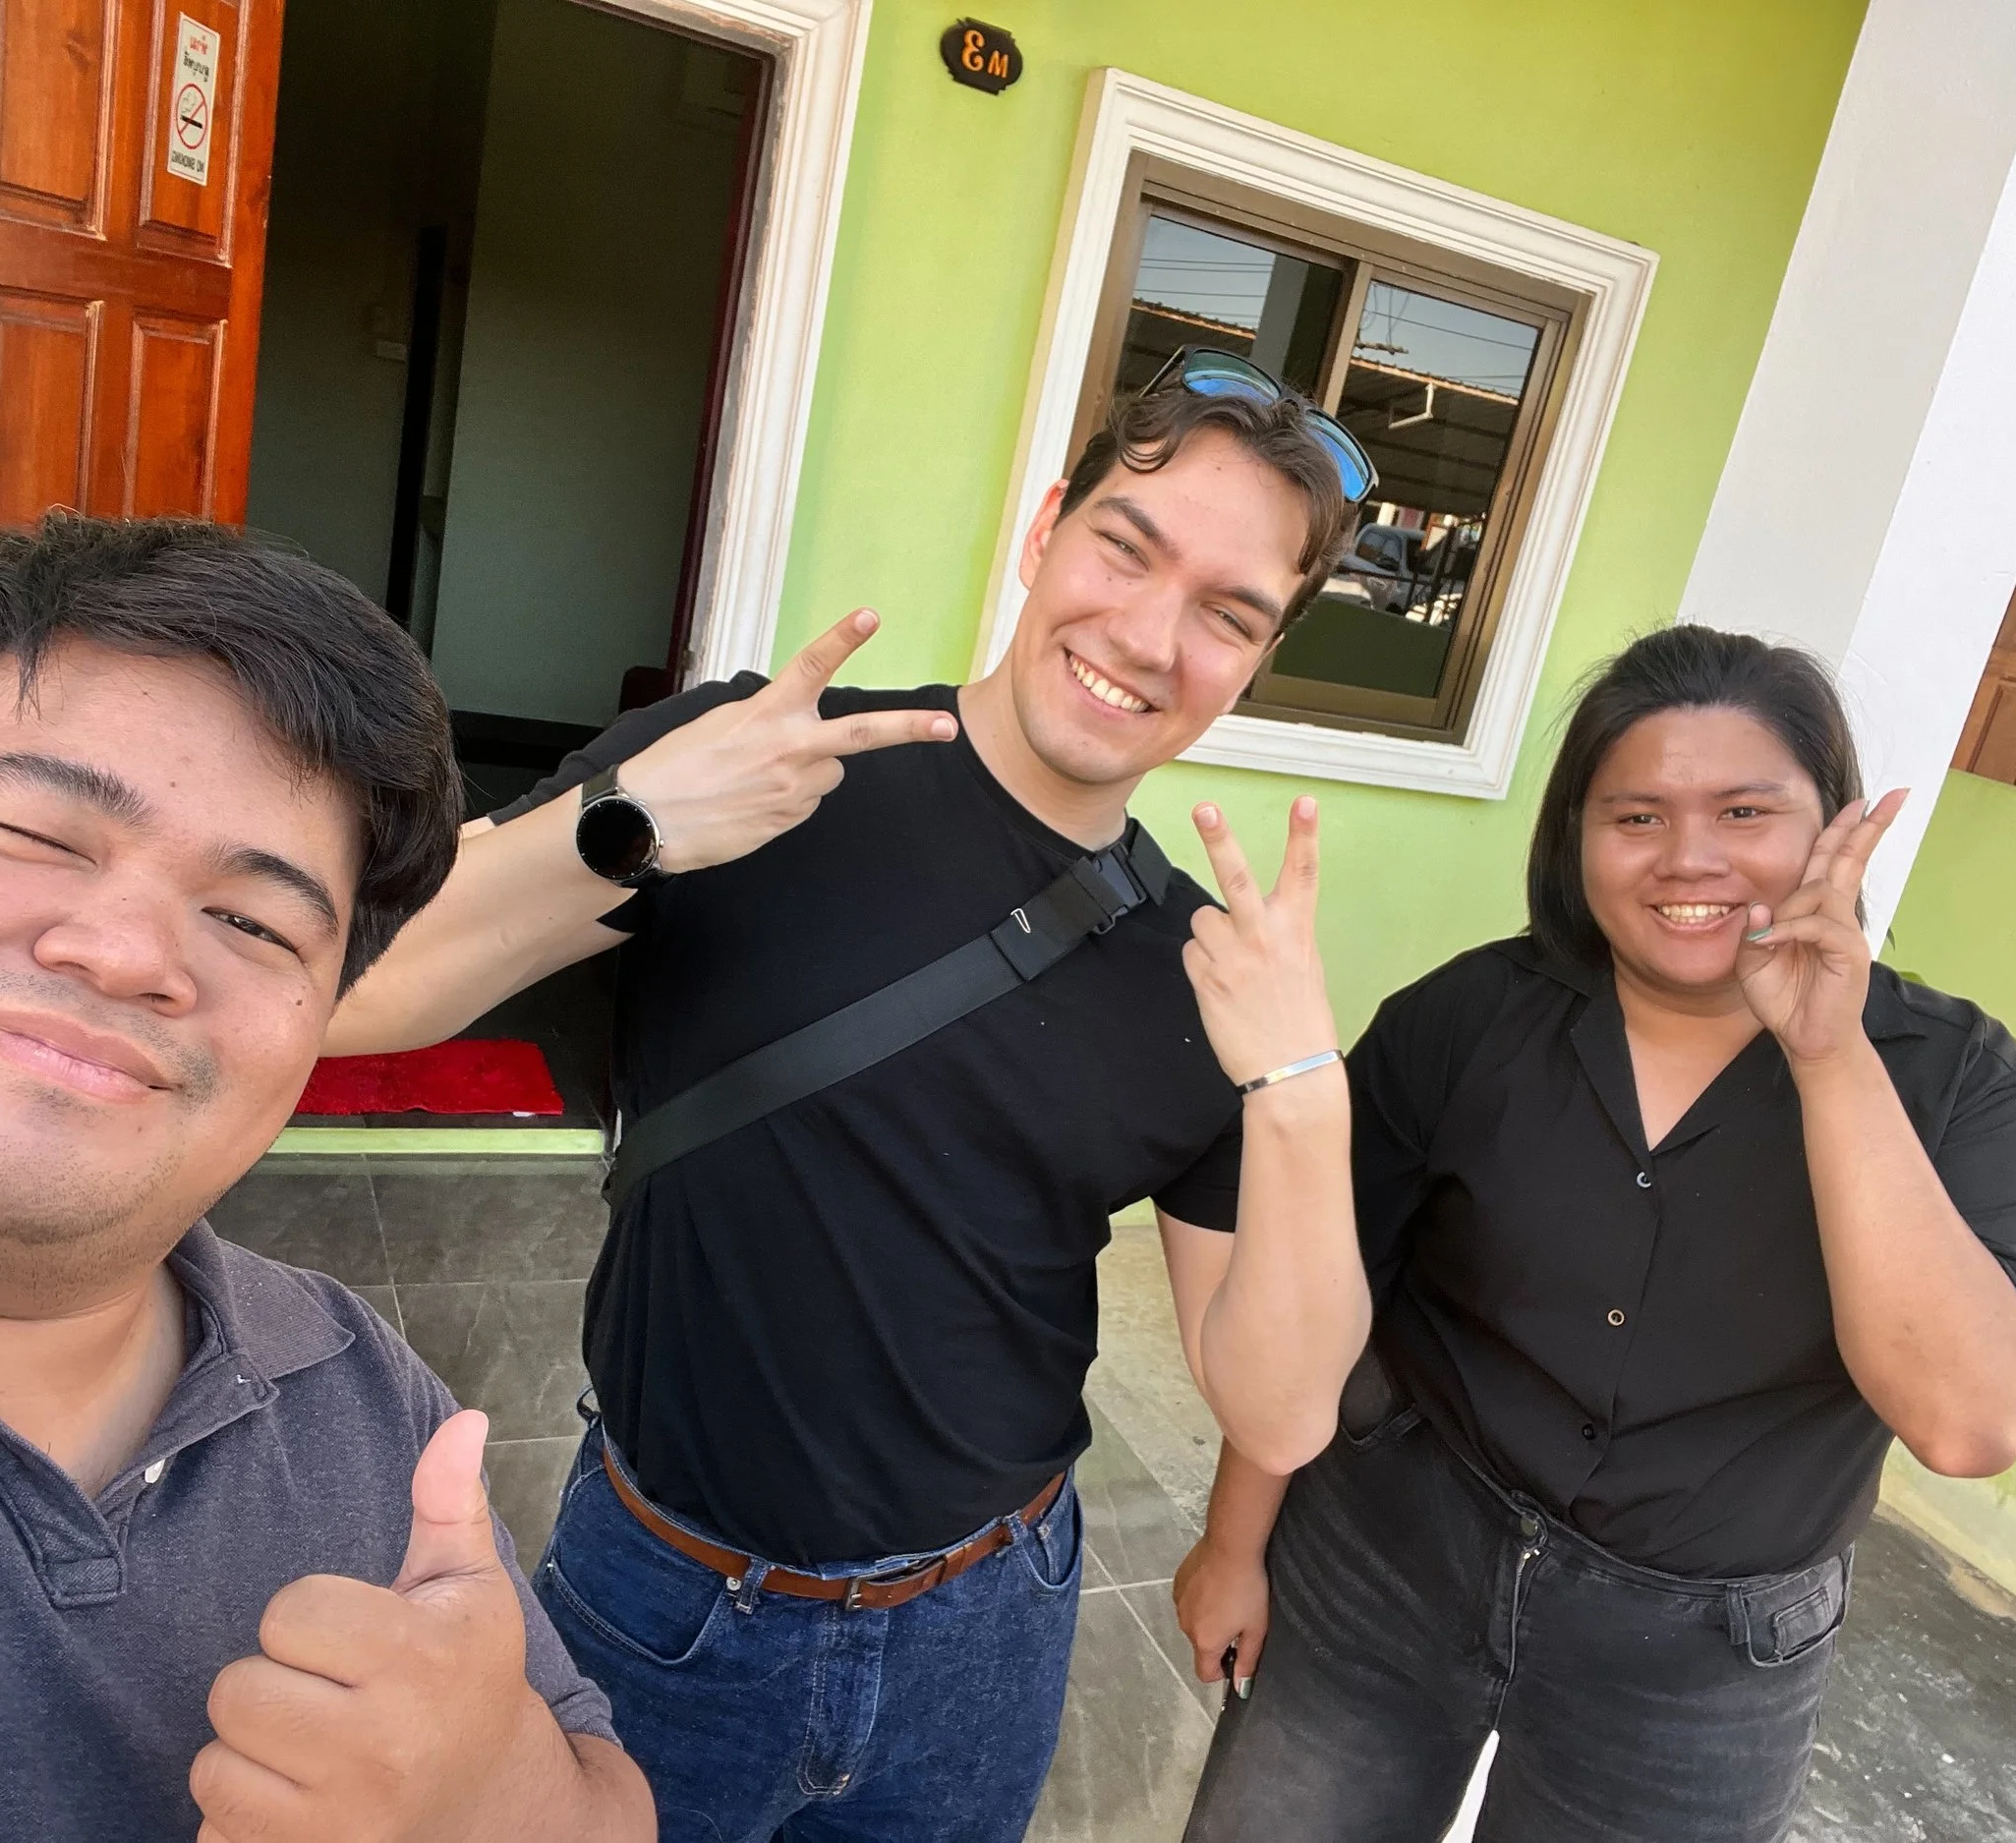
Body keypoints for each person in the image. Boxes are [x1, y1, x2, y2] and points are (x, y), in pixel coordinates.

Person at [326, 351, 1380, 1839]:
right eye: (1124, 549)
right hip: (663, 1597)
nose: (1149, 636)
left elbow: (1276, 1403)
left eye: (1228, 615)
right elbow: (365, 989)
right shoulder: (761, 761)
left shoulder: (1198, 973)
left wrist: (1301, 1081)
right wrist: (630, 828)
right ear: (1042, 532)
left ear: (1256, 663)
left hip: (985, 1625)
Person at [0, 515, 654, 1843]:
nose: (127, 949)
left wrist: (497, 1792)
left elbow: (606, 1804)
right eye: (35, 829)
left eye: (254, 919)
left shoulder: (354, 1382)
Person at [1172, 626, 2016, 1843]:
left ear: (1829, 828)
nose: (1688, 859)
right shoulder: (1469, 1019)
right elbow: (1324, 1299)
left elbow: (1967, 1423)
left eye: (1744, 812)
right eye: (1637, 817)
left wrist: (1828, 1055)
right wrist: (1233, 1547)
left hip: (1701, 1660)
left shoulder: (1956, 1082)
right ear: (1576, 841)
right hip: (1393, 1556)